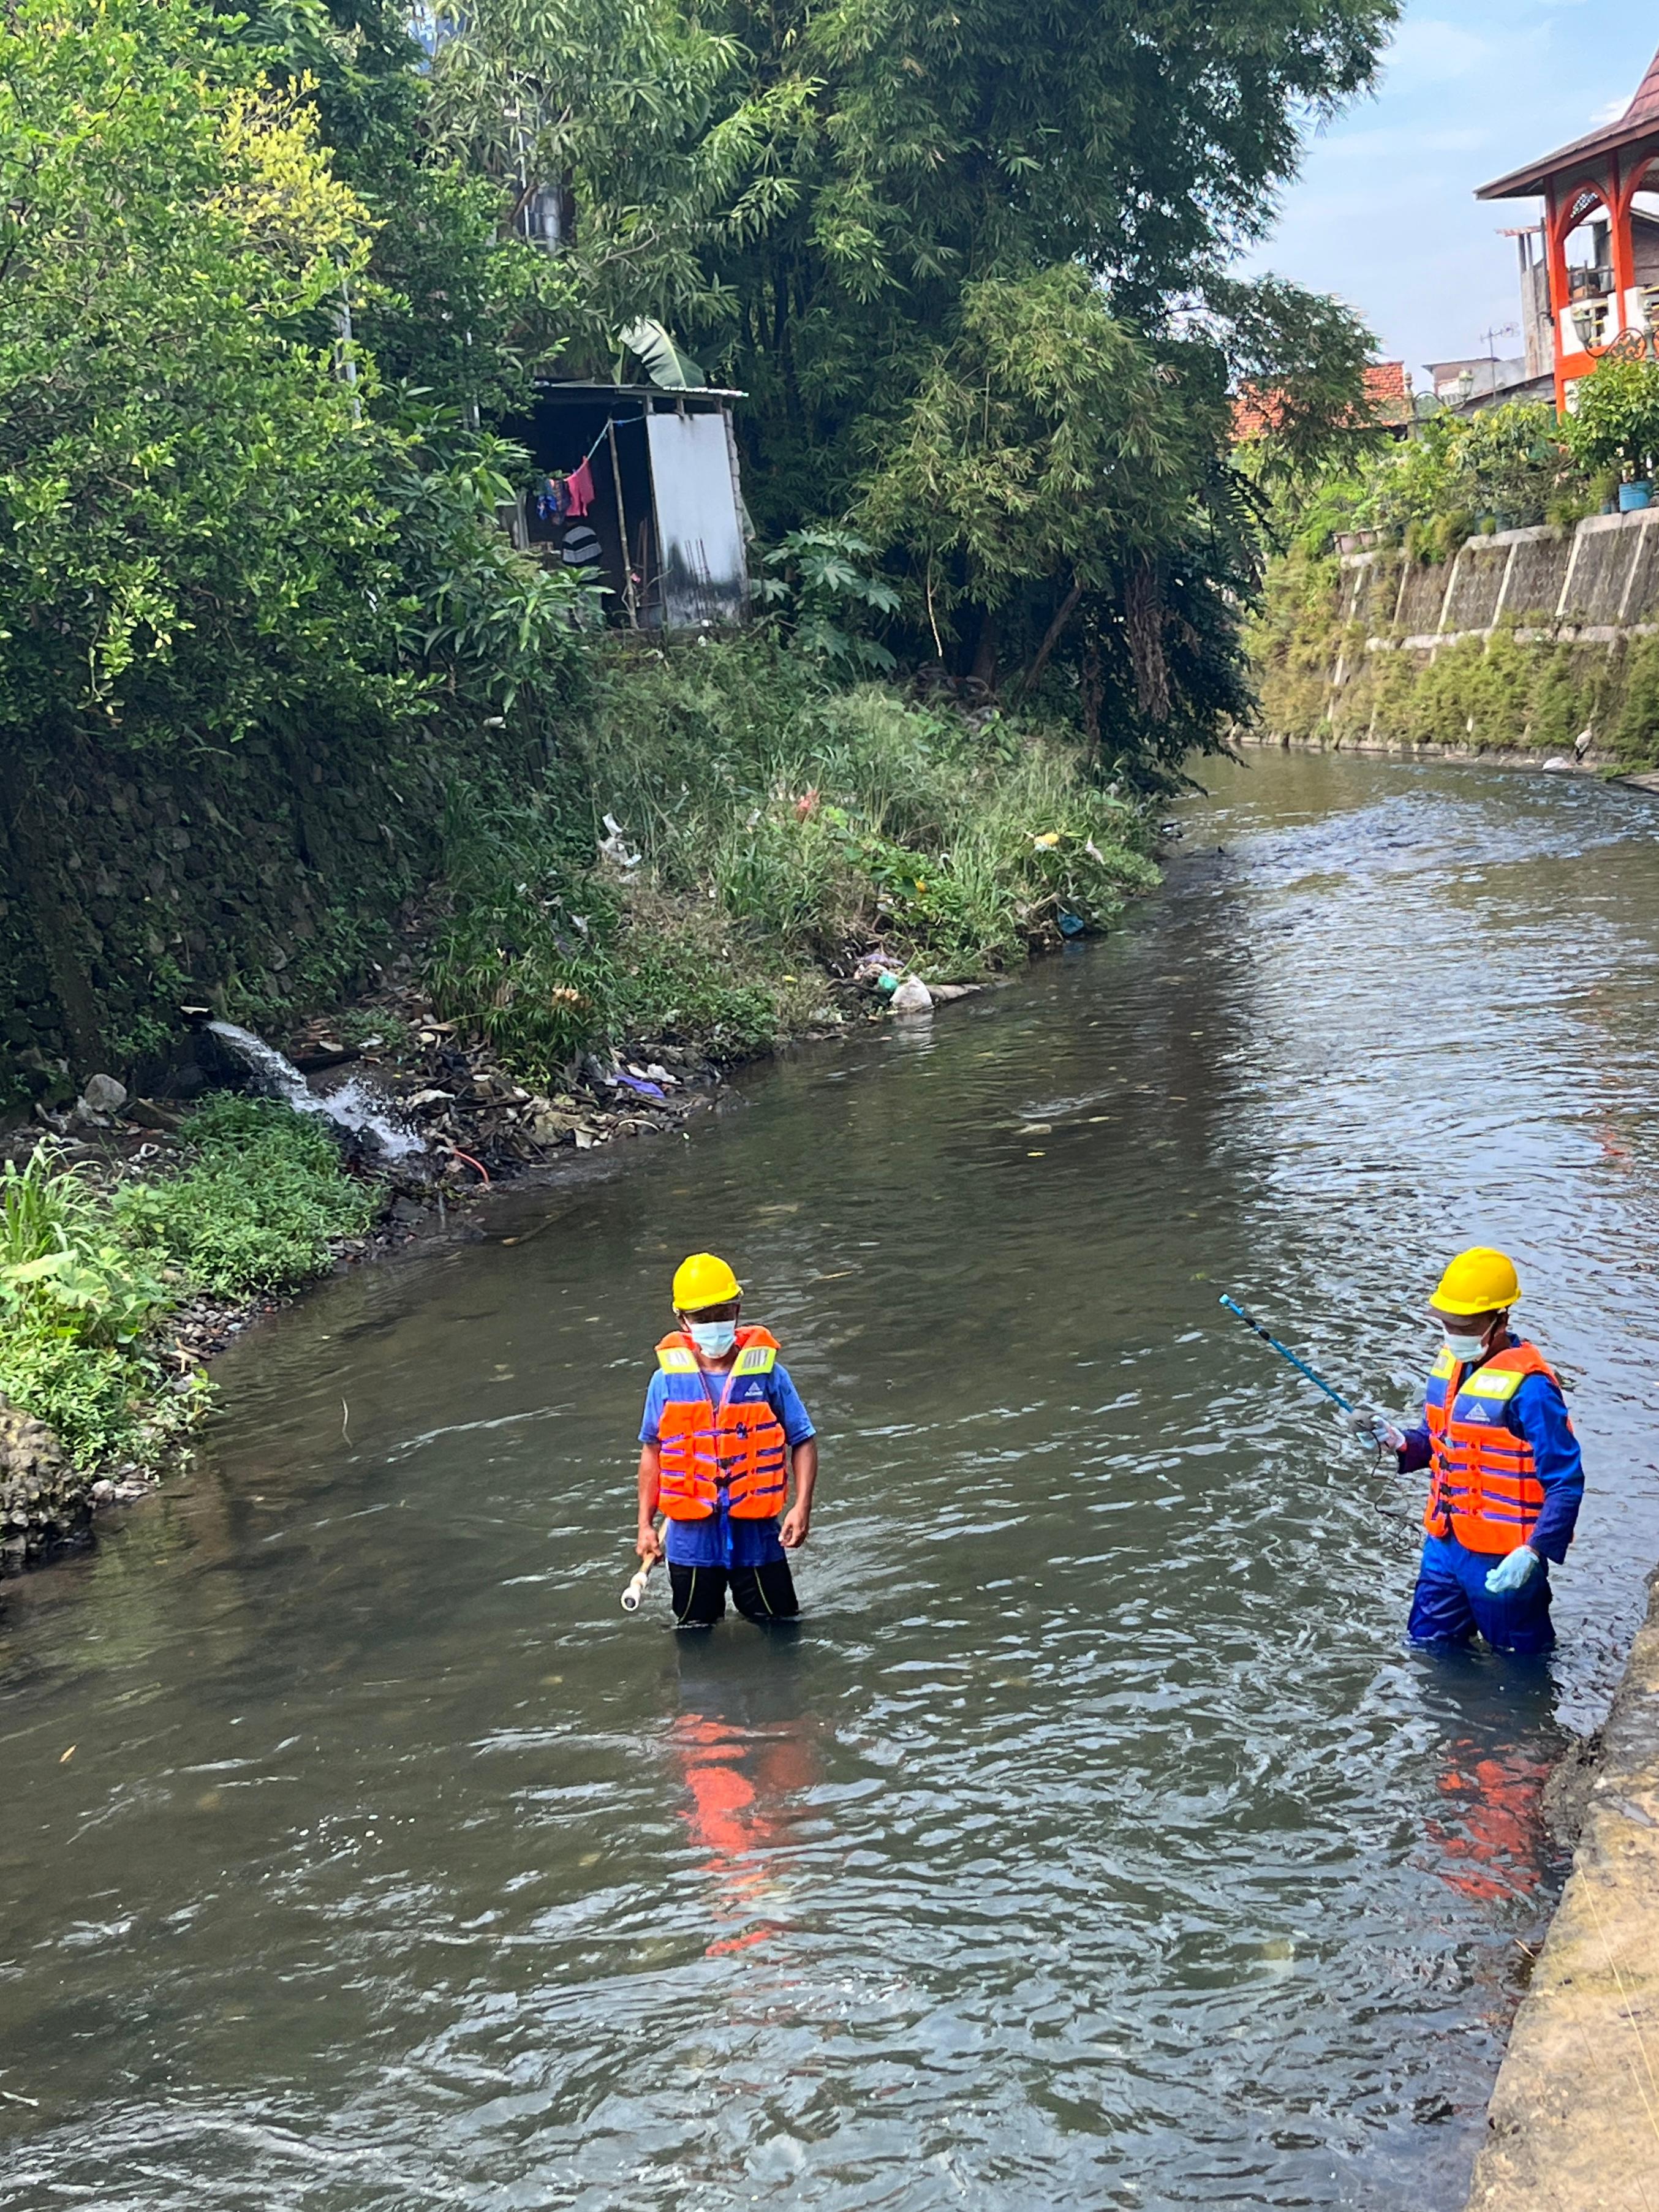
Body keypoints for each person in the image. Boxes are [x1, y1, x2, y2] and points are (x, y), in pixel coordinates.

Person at [1373, 1247, 1582, 1655]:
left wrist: (1534, 1551)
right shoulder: (1452, 1365)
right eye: (1448, 1323)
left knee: (1521, 1665)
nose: (1453, 1332)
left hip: (1505, 1558)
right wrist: (1401, 1442)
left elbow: (1566, 1482)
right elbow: (1440, 1442)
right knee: (1428, 1649)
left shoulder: (1533, 1390)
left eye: (1464, 1324)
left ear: (1500, 1320)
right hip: (1444, 1545)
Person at [634, 1253, 818, 1628]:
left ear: (737, 1309)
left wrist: (802, 1507)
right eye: (702, 1318)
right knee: (695, 1635)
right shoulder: (665, 1381)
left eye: (722, 1314)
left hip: (758, 1540)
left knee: (783, 1629)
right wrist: (645, 1524)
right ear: (682, 1320)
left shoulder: (769, 1375)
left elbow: (802, 1439)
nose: (713, 1324)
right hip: (690, 1544)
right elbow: (652, 1454)